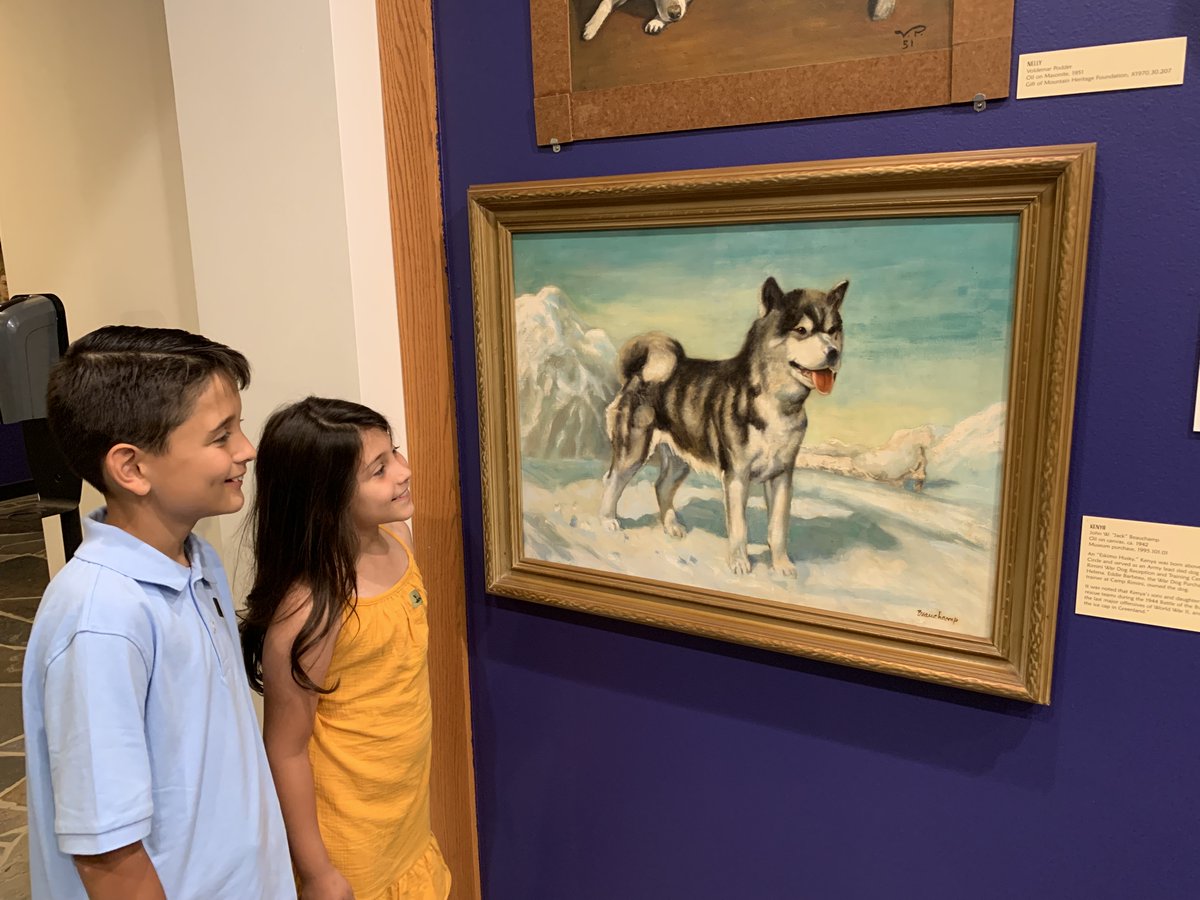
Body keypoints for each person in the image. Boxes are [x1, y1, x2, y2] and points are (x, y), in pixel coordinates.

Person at [22, 326, 295, 899]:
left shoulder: (197, 560)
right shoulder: (102, 620)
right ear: (132, 468)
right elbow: (108, 854)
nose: (246, 449)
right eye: (221, 436)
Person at [241, 397, 451, 900]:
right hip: (349, 838)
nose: (403, 472)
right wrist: (316, 873)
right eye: (379, 470)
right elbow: (286, 749)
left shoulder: (398, 538)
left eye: (394, 453)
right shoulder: (311, 611)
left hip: (403, 817)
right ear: (324, 497)